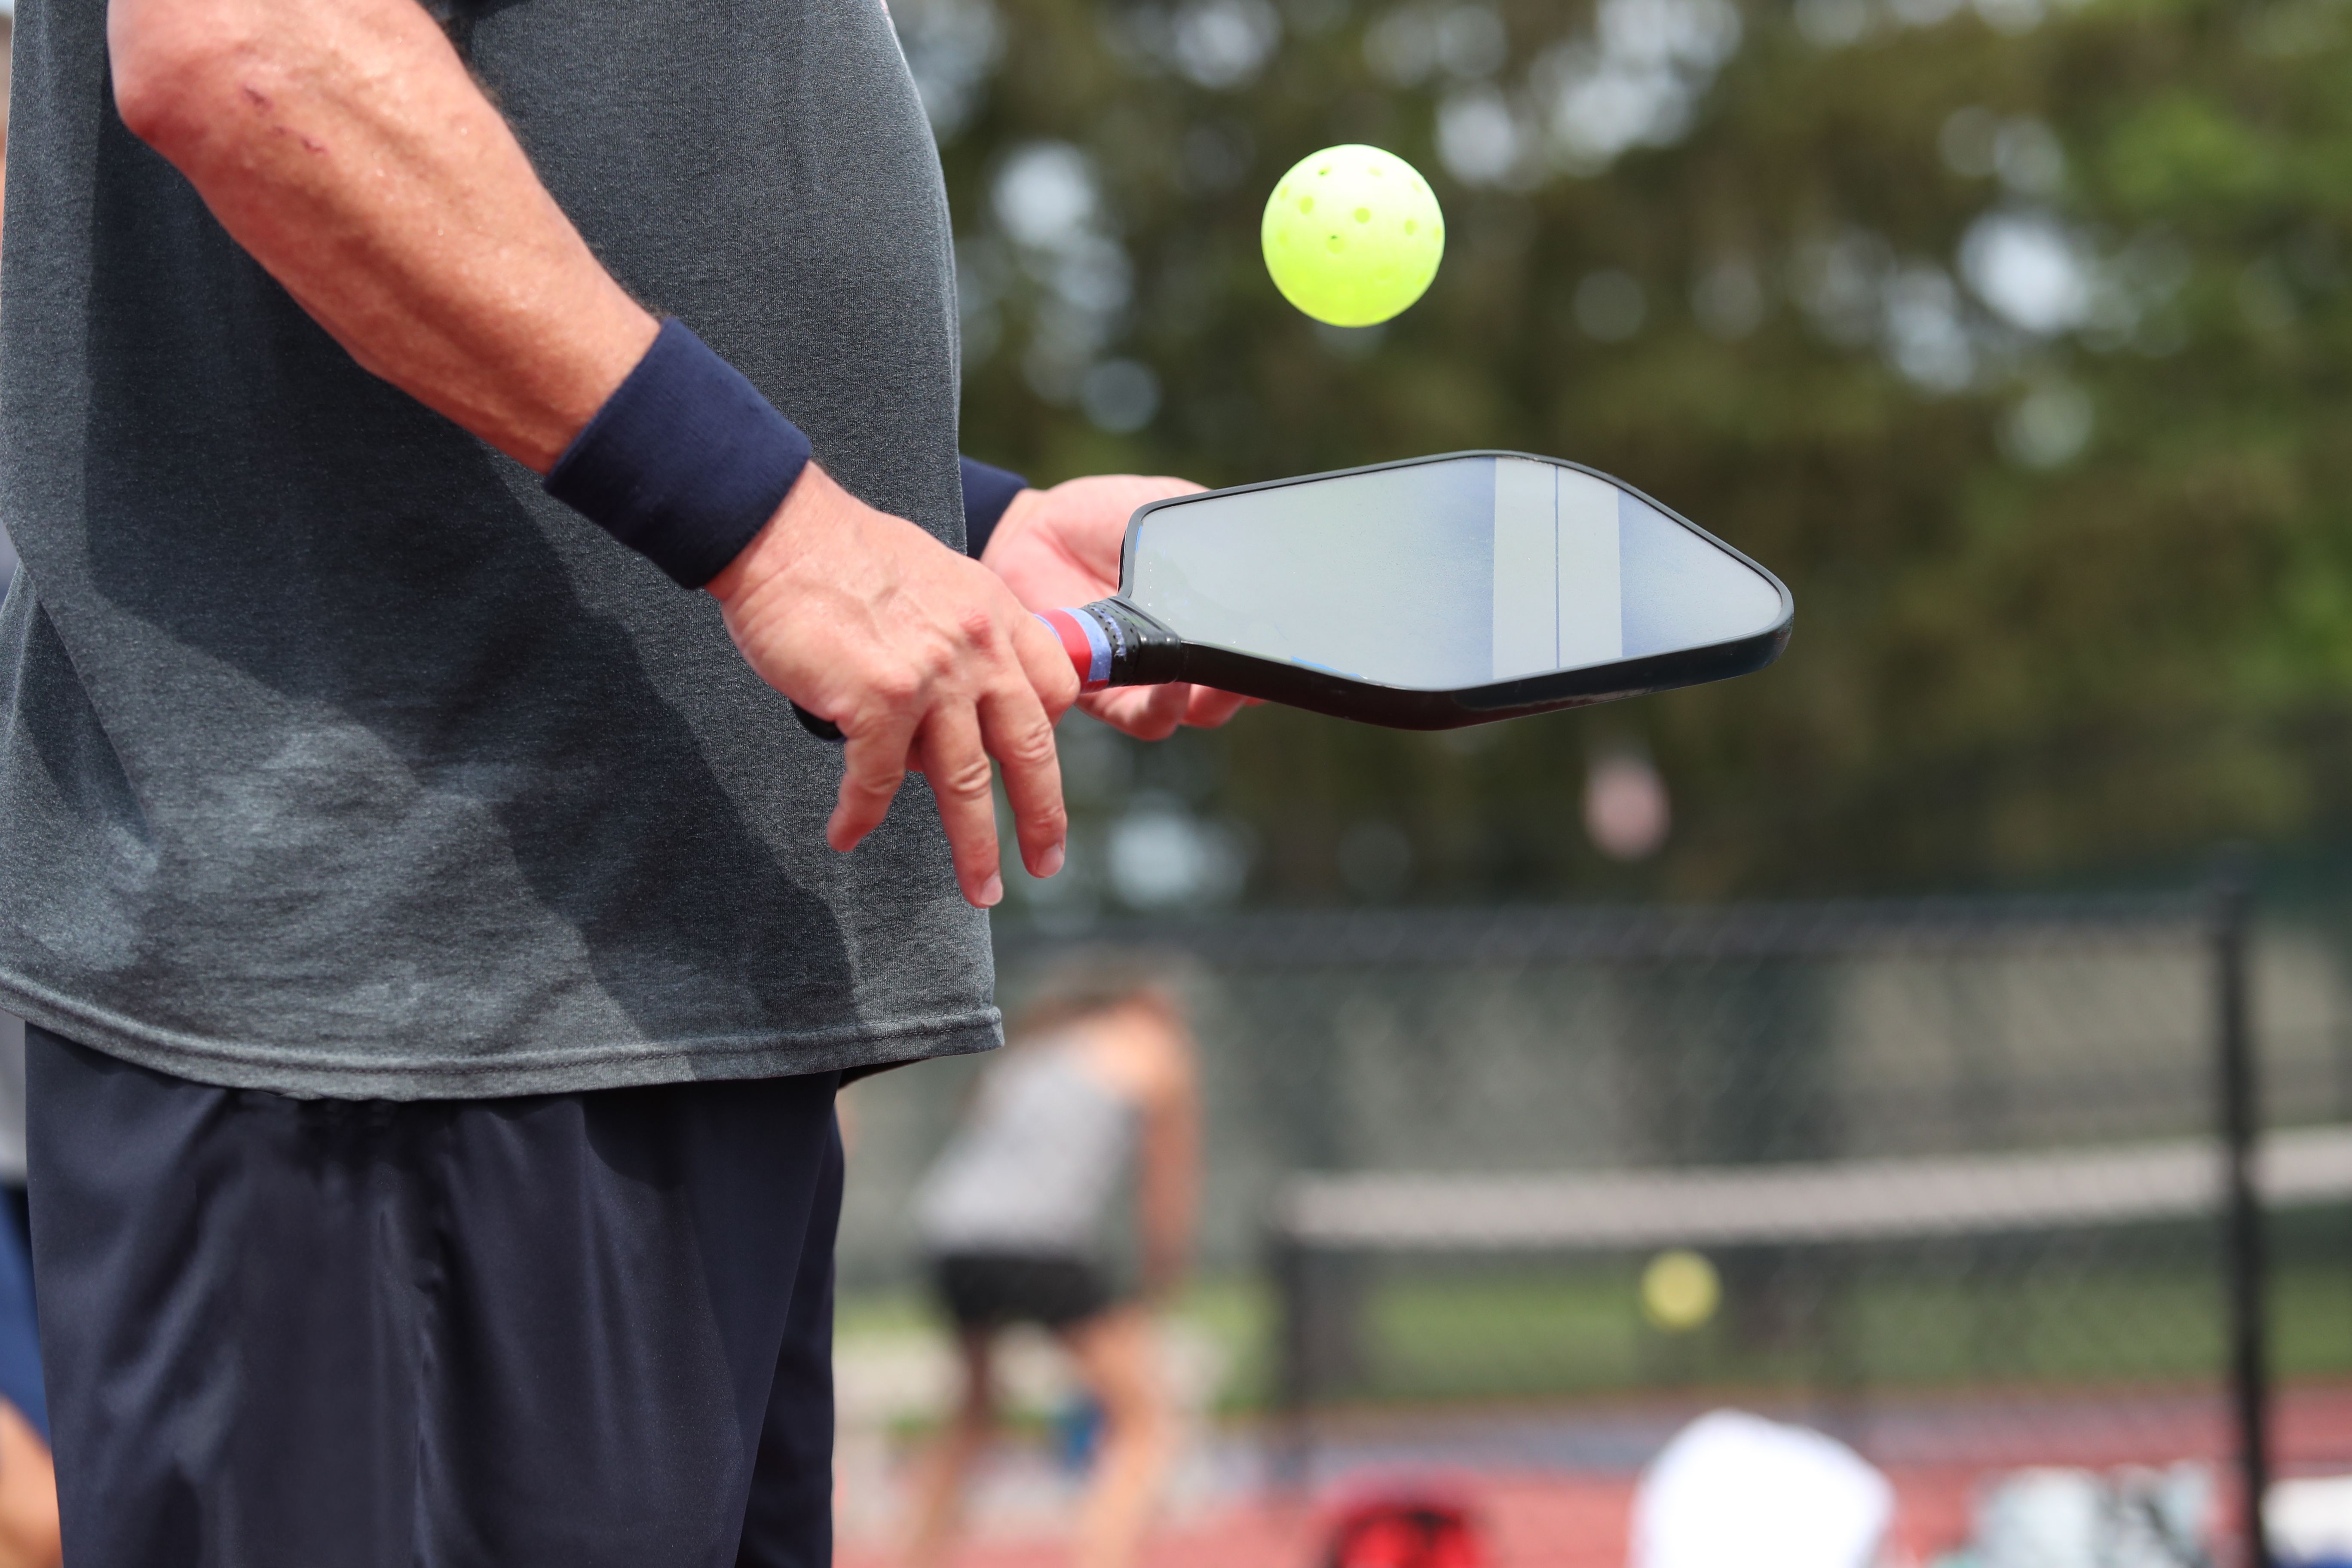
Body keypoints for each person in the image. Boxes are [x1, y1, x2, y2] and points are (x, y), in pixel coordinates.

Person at [0, 0, 1247, 1560]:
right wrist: (778, 532)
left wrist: (943, 527)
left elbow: (586, 199)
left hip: (636, 978)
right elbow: (254, 46)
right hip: (411, 1000)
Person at [903, 961, 1202, 1568]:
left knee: (973, 1413)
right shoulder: (1156, 1050)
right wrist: (1162, 1275)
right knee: (1145, 1419)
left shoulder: (1039, 1049)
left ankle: (917, 1555)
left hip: (951, 1235)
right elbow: (1166, 1188)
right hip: (1038, 1242)